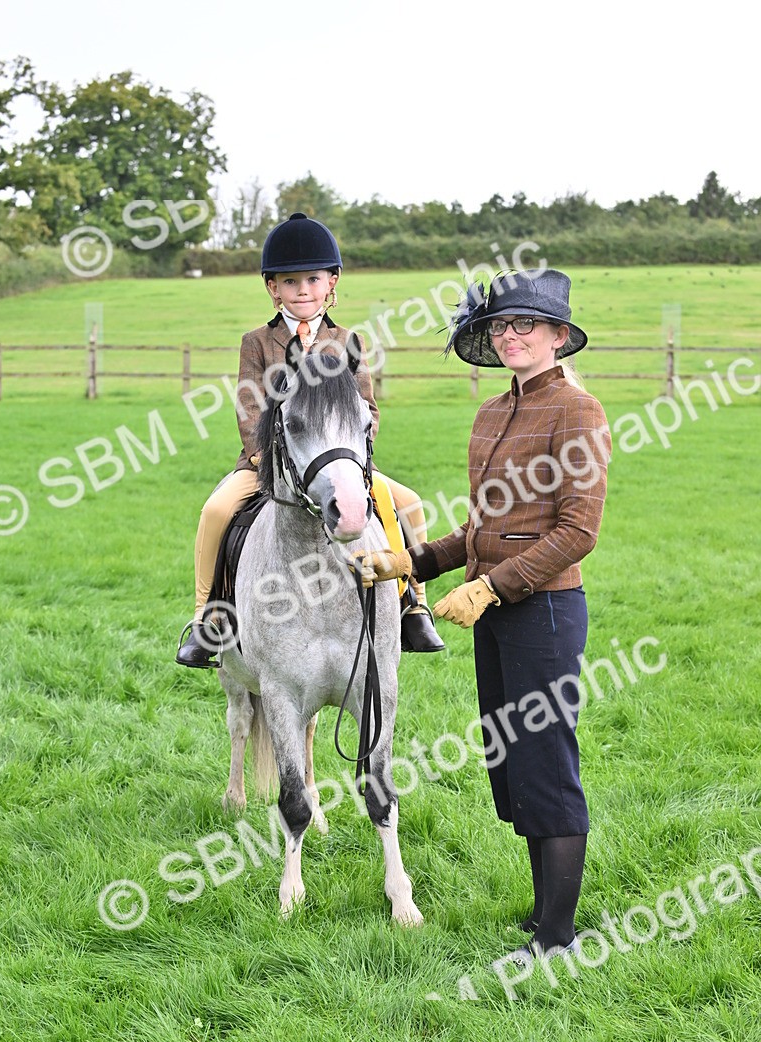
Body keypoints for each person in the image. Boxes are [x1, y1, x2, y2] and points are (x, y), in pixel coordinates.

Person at [356, 269, 611, 959]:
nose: (510, 336)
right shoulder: (493, 412)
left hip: (545, 614)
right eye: (500, 325)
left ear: (559, 335)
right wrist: (413, 560)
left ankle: (558, 940)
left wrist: (494, 587)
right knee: (515, 764)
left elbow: (576, 531)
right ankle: (542, 917)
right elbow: (480, 530)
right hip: (496, 614)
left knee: (546, 763)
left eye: (526, 324)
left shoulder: (577, 410)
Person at [176, 212, 445, 666]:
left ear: (331, 282)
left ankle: (412, 604)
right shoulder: (257, 342)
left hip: (341, 462)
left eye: (313, 279)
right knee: (216, 510)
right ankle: (208, 618)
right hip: (271, 463)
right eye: (290, 281)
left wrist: (355, 457)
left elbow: (368, 410)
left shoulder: (347, 341)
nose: (303, 289)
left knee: (410, 503)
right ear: (272, 288)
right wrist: (265, 456)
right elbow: (248, 406)